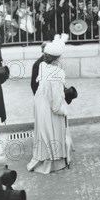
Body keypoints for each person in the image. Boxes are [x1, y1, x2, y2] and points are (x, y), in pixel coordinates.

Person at [27, 35, 73, 174]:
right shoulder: (57, 73)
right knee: (52, 132)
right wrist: (63, 110)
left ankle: (43, 159)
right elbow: (56, 101)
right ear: (57, 58)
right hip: (50, 108)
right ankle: (54, 162)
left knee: (43, 132)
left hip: (40, 105)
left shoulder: (42, 66)